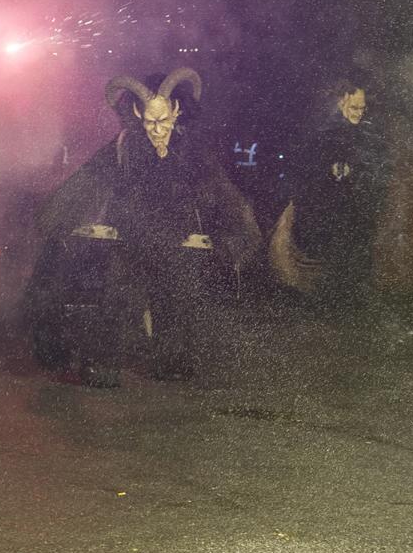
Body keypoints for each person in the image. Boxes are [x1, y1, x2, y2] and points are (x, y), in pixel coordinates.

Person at [25, 67, 261, 386]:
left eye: (163, 121)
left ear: (176, 112)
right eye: (150, 122)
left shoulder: (190, 150)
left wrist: (236, 229)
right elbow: (89, 179)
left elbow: (218, 188)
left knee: (177, 300)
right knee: (117, 301)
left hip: (175, 242)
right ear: (138, 116)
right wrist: (57, 215)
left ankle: (172, 361)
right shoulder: (124, 146)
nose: (157, 130)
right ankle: (103, 365)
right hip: (130, 241)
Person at [268, 77, 388, 310]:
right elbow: (306, 172)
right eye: (354, 107)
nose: (359, 113)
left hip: (356, 213)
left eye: (362, 108)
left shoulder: (366, 135)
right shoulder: (322, 135)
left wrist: (358, 175)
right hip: (327, 214)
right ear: (341, 102)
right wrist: (329, 171)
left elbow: (375, 171)